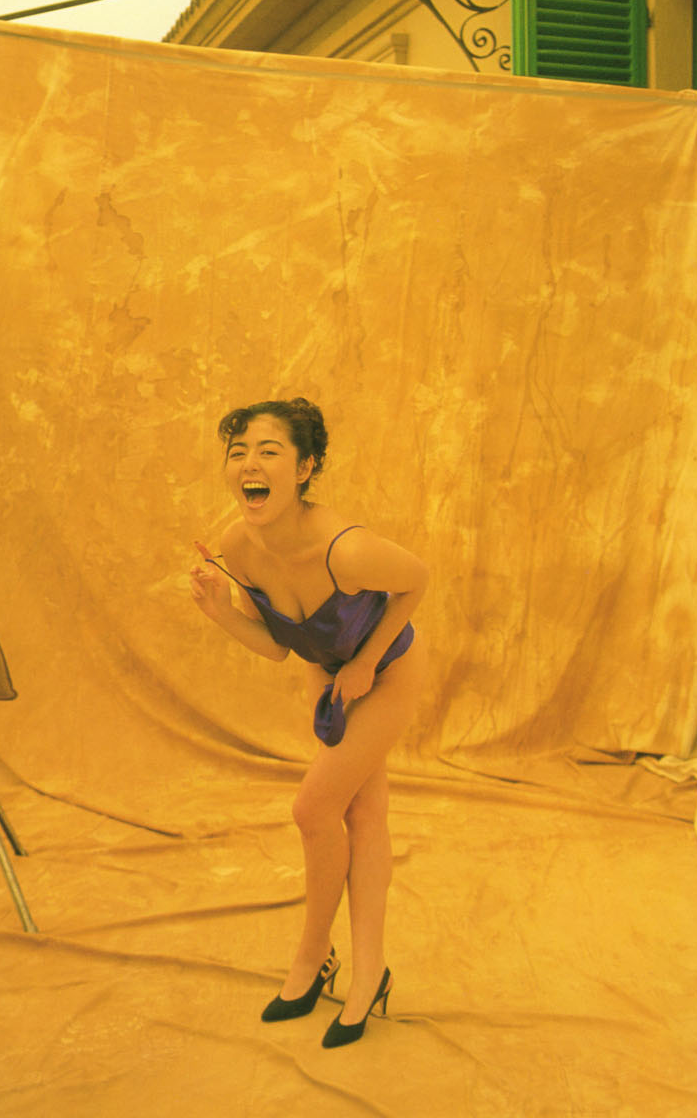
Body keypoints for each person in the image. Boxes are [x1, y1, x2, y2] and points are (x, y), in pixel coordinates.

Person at [189, 397, 427, 1049]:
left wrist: (367, 663)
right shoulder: (238, 544)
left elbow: (417, 581)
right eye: (238, 452)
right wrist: (219, 611)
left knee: (313, 809)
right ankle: (365, 969)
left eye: (268, 451)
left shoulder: (345, 550)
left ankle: (314, 955)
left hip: (388, 670)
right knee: (362, 815)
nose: (249, 464)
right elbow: (275, 646)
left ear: (305, 468)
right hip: (327, 675)